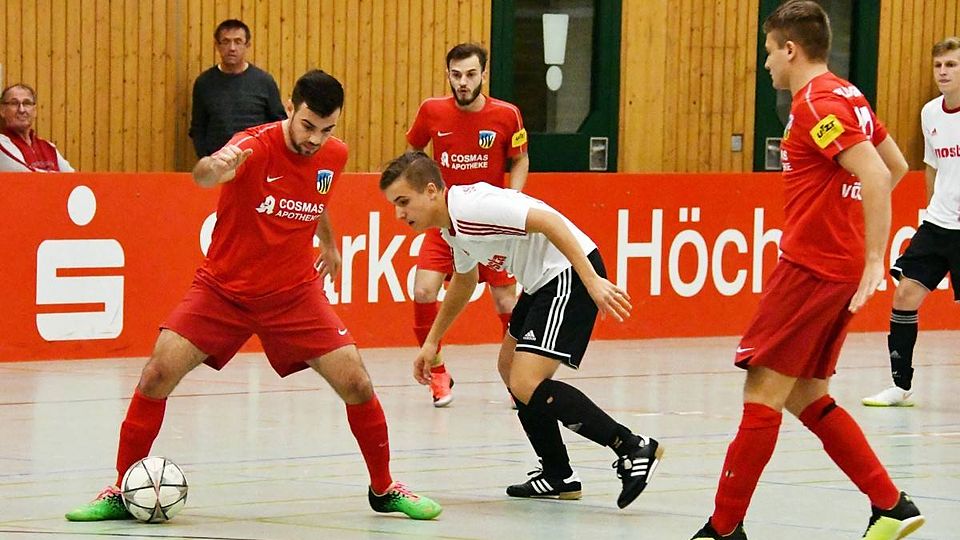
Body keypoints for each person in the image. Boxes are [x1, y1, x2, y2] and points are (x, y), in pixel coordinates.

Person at [64, 70, 441, 522]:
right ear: (289, 108)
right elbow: (204, 175)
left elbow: (315, 197)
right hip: (223, 291)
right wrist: (215, 166)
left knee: (357, 383)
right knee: (156, 374)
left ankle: (384, 489)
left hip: (294, 295)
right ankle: (120, 490)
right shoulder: (252, 146)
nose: (315, 139)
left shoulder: (334, 155)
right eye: (308, 126)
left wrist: (329, 243)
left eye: (327, 129)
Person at [689, 2, 924, 539]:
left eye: (769, 52)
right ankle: (891, 505)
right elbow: (896, 166)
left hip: (811, 267)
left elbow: (875, 173)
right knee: (806, 394)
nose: (766, 64)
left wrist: (874, 256)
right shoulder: (848, 94)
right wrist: (850, 228)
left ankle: (723, 529)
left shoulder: (816, 103)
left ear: (790, 50)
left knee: (761, 391)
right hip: (834, 266)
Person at [380, 150, 663, 509]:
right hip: (540, 281)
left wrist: (591, 280)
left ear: (431, 191)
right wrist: (432, 342)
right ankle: (558, 474)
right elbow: (465, 281)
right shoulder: (453, 228)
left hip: (567, 272)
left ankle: (632, 446)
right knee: (508, 367)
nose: (399, 214)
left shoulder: (473, 207)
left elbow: (549, 221)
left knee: (526, 381)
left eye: (403, 202)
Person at [405, 42, 530, 407]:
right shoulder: (431, 110)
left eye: (471, 74)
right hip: (446, 223)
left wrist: (512, 199)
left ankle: (516, 377)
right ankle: (438, 372)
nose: (463, 82)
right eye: (456, 75)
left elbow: (520, 159)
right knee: (423, 291)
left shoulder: (507, 115)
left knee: (505, 299)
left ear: (484, 75)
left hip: (491, 226)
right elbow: (413, 153)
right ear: (448, 75)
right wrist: (422, 192)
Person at [863, 36, 960, 408]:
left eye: (951, 65)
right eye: (938, 65)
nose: (943, 72)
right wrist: (933, 206)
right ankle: (900, 385)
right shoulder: (930, 113)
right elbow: (932, 165)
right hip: (938, 224)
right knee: (904, 295)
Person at [189, 19, 287, 158]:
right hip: (218, 161)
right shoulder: (204, 83)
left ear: (247, 45)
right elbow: (198, 128)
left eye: (238, 41)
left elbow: (278, 124)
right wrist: (206, 159)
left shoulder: (264, 81)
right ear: (217, 45)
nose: (232, 48)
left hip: (257, 159)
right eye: (226, 41)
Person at [0, 84, 74, 172]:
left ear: (34, 110)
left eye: (27, 103)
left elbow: (72, 177)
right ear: (2, 110)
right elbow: (25, 174)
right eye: (14, 103)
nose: (21, 110)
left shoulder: (49, 147)